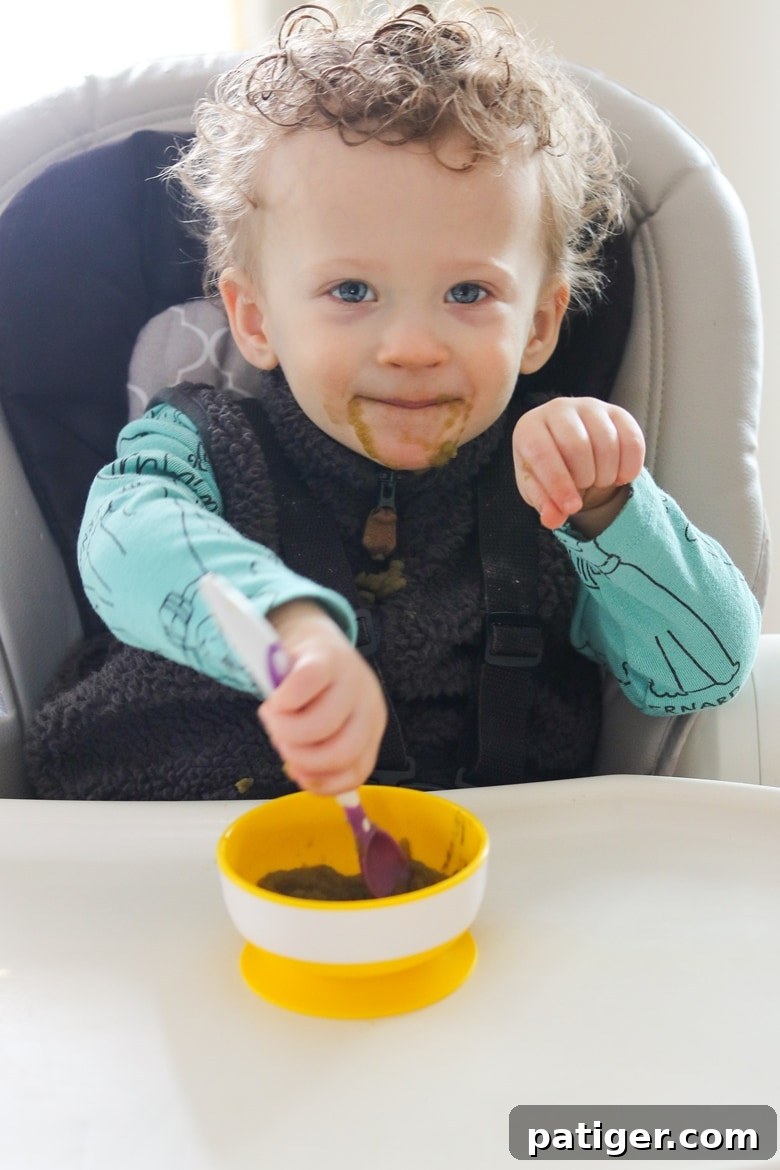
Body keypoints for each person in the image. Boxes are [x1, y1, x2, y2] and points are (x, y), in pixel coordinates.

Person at [26, 2, 760, 800]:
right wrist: (287, 632)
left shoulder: (549, 485)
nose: (412, 346)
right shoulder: (199, 441)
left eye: (469, 292)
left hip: (475, 868)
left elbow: (704, 673)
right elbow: (125, 544)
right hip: (157, 841)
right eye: (352, 290)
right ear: (256, 320)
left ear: (541, 323)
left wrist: (610, 510)